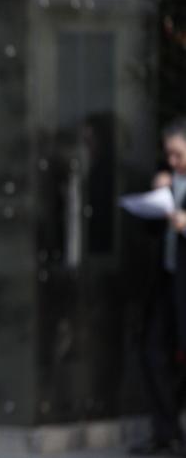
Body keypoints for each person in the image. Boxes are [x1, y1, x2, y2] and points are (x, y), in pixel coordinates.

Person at [133, 119, 186, 455]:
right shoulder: (170, 180)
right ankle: (165, 431)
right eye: (169, 155)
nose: (172, 162)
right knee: (153, 352)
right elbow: (152, 229)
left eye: (178, 154)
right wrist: (157, 197)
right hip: (167, 282)